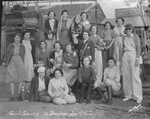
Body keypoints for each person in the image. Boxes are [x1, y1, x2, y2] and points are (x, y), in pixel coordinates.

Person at [122, 24, 143, 104]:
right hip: (125, 54)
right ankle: (128, 95)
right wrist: (121, 58)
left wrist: (137, 59)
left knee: (135, 76)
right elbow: (122, 49)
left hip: (133, 54)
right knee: (126, 75)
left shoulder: (135, 37)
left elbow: (138, 48)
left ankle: (138, 96)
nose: (128, 31)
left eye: (129, 29)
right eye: (127, 29)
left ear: (132, 30)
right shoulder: (124, 37)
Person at [4, 33, 27, 101]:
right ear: (14, 38)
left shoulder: (22, 46)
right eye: (16, 38)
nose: (16, 39)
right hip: (12, 61)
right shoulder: (10, 45)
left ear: (20, 39)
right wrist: (6, 62)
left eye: (18, 38)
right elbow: (7, 54)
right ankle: (12, 96)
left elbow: (23, 55)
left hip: (19, 61)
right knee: (11, 78)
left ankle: (19, 95)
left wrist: (23, 63)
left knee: (20, 78)